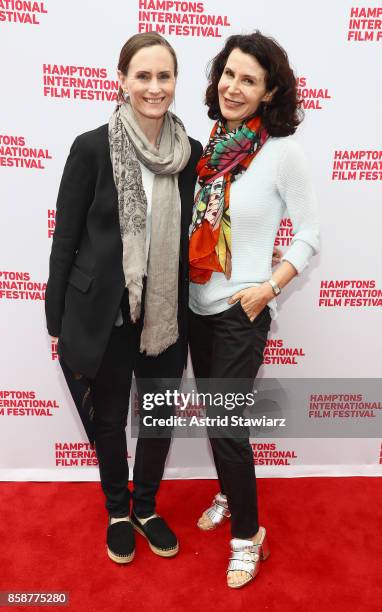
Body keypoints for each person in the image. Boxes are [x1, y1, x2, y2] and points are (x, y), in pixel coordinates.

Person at [45, 32, 202, 564]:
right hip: (105, 311)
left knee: (157, 418)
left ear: (175, 83)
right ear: (122, 80)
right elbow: (66, 236)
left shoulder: (192, 154)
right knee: (110, 419)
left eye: (164, 76)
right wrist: (54, 313)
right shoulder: (91, 147)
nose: (154, 87)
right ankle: (117, 509)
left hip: (164, 313)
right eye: (143, 76)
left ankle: (147, 506)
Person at [188, 31, 320, 588]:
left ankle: (248, 536)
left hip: (242, 310)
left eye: (249, 80)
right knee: (219, 422)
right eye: (229, 74)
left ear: (269, 93)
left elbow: (310, 235)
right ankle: (226, 488)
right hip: (197, 305)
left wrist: (268, 287)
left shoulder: (282, 153)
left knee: (226, 425)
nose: (234, 87)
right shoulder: (211, 148)